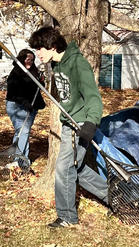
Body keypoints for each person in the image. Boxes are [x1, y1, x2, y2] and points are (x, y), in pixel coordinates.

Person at [28, 26, 108, 228]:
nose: (38, 54)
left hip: (79, 124)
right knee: (76, 168)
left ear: (53, 46)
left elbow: (93, 96)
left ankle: (67, 217)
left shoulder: (78, 63)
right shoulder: (57, 65)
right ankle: (115, 197)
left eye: (40, 49)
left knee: (64, 169)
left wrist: (91, 123)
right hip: (68, 123)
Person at [4, 48, 45, 168]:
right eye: (28, 59)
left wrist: (41, 81)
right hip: (16, 106)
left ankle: (18, 159)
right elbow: (13, 93)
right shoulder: (15, 73)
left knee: (21, 133)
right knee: (24, 131)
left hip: (31, 107)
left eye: (32, 60)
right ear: (22, 59)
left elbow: (38, 88)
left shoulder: (33, 72)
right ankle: (20, 162)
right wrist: (24, 102)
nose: (30, 62)